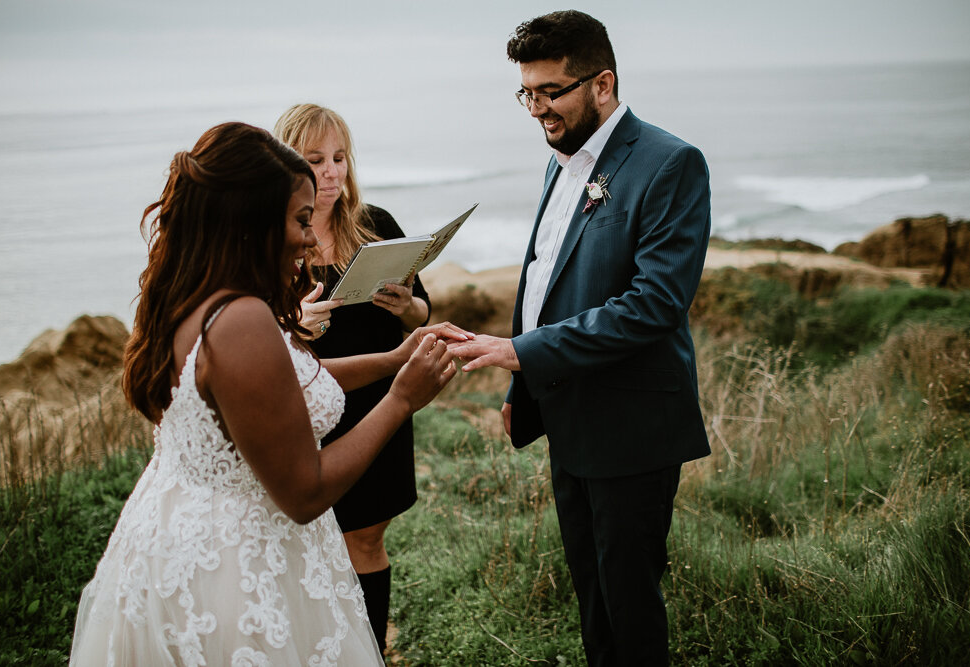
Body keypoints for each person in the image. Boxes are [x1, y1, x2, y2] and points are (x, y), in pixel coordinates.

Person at [69, 121, 467, 665]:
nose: (310, 236)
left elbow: (291, 380)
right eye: (301, 220)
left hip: (176, 537)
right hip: (236, 573)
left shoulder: (194, 294)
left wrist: (396, 359)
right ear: (254, 222)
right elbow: (305, 493)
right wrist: (402, 396)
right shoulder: (242, 321)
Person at [448, 11, 712, 666]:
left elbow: (654, 304)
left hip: (632, 427)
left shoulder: (670, 163)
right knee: (592, 599)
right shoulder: (559, 161)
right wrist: (523, 384)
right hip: (568, 419)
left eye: (550, 92)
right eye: (526, 94)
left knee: (630, 605)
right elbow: (545, 280)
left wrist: (521, 353)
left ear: (602, 83)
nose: (537, 109)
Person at [273, 103, 431, 655]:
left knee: (365, 537)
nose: (333, 171)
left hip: (381, 405)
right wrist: (296, 327)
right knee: (309, 543)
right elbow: (256, 346)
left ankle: (369, 652)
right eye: (316, 159)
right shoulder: (270, 244)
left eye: (340, 157)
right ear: (288, 163)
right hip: (308, 413)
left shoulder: (376, 225)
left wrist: (406, 304)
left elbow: (422, 311)